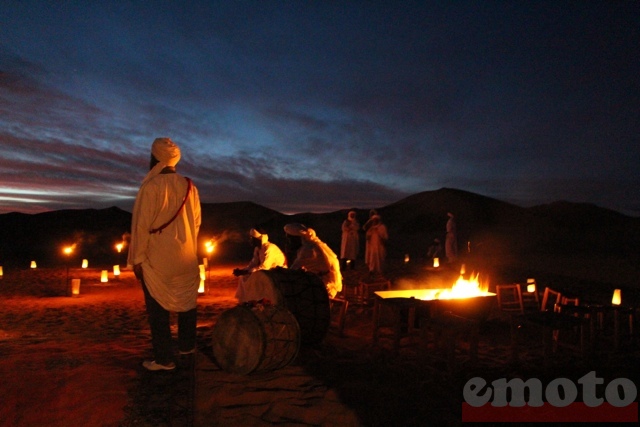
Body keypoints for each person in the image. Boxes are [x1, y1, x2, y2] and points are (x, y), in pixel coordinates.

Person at [128, 137, 201, 371]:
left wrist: (138, 259)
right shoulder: (191, 186)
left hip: (158, 258)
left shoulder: (151, 187)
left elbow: (141, 226)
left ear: (155, 158)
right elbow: (197, 223)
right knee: (187, 302)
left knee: (157, 309)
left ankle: (163, 359)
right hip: (186, 256)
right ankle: (187, 346)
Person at [284, 223, 342, 298]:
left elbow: (291, 272)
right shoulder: (312, 245)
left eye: (289, 239)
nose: (288, 242)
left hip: (324, 288)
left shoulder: (309, 249)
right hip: (320, 283)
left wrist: (288, 253)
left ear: (298, 238)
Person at [234, 227, 287, 301]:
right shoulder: (257, 249)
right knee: (243, 277)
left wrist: (248, 271)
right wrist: (243, 271)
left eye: (252, 238)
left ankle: (257, 299)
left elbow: (265, 267)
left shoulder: (269, 248)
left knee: (256, 276)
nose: (250, 240)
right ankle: (246, 300)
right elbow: (253, 263)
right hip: (266, 271)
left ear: (257, 239)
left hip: (277, 272)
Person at [363, 209, 388, 276]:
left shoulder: (382, 227)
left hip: (380, 246)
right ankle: (372, 270)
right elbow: (367, 236)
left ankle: (380, 270)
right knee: (372, 258)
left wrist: (378, 233)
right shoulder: (371, 228)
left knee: (380, 258)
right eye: (374, 220)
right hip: (372, 246)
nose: (375, 221)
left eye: (376, 220)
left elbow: (385, 237)